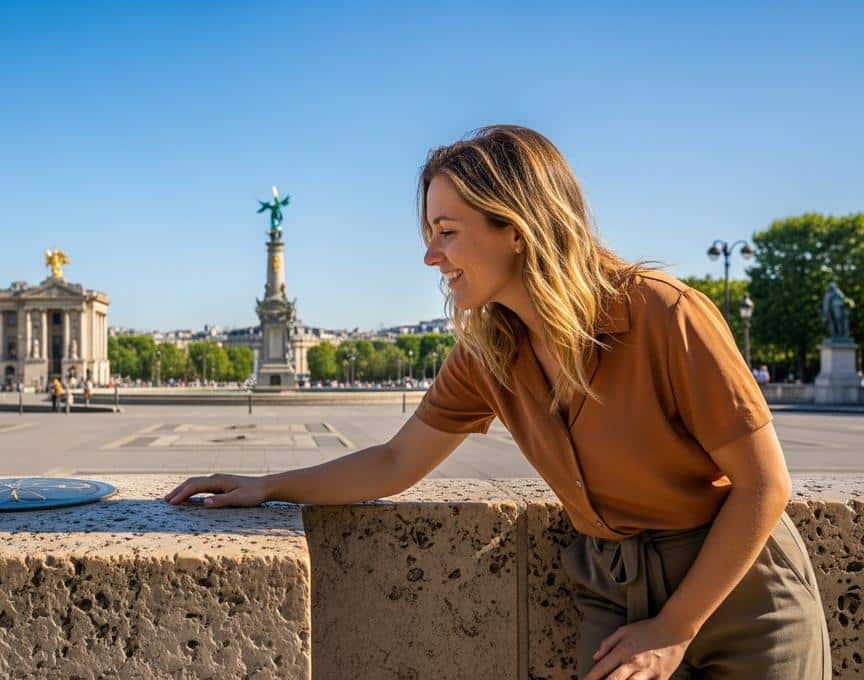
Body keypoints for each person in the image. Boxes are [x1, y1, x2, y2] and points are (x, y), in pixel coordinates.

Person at [165, 126, 829, 679]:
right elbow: (397, 460)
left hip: (741, 591)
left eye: (447, 231)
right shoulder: (489, 349)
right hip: (613, 587)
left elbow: (764, 485)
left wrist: (676, 627)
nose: (431, 256)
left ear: (516, 227)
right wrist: (266, 487)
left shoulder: (664, 313)